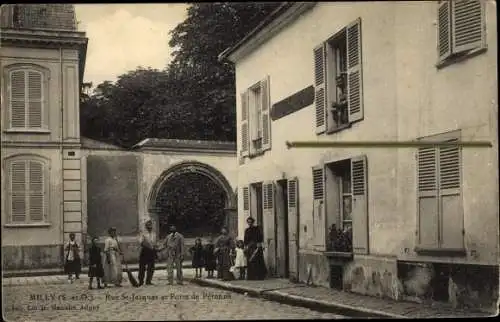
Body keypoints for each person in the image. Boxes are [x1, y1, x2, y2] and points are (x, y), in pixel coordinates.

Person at [138, 220, 158, 286]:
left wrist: (155, 248)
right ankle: (141, 281)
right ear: (146, 226)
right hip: (145, 251)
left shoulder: (154, 234)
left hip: (152, 252)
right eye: (148, 225)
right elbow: (141, 242)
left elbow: (155, 243)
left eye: (151, 225)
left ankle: (148, 281)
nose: (150, 226)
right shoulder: (143, 233)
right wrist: (148, 246)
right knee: (142, 267)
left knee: (151, 267)